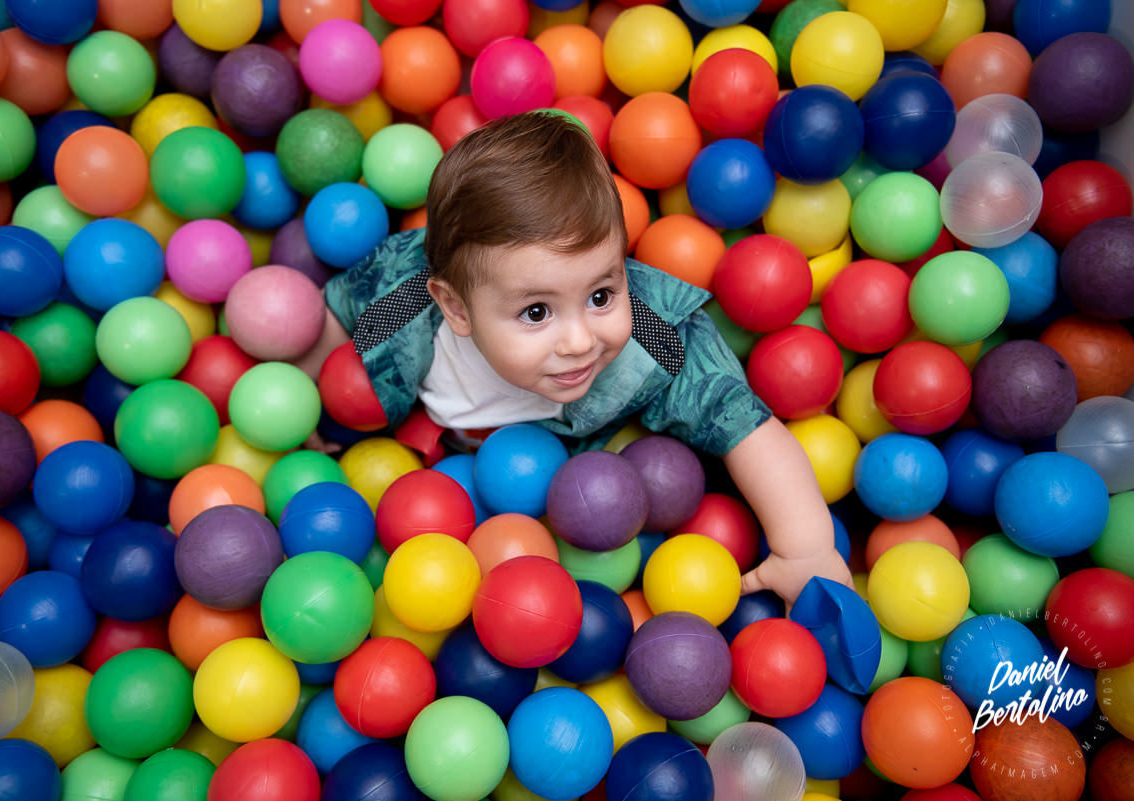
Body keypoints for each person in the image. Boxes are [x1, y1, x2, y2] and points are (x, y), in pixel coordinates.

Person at [311, 111, 852, 607]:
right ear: (455, 306)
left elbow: (743, 423)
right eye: (537, 312)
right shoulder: (401, 298)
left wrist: (804, 549)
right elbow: (339, 314)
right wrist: (310, 400)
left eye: (600, 296)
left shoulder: (654, 338)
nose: (579, 340)